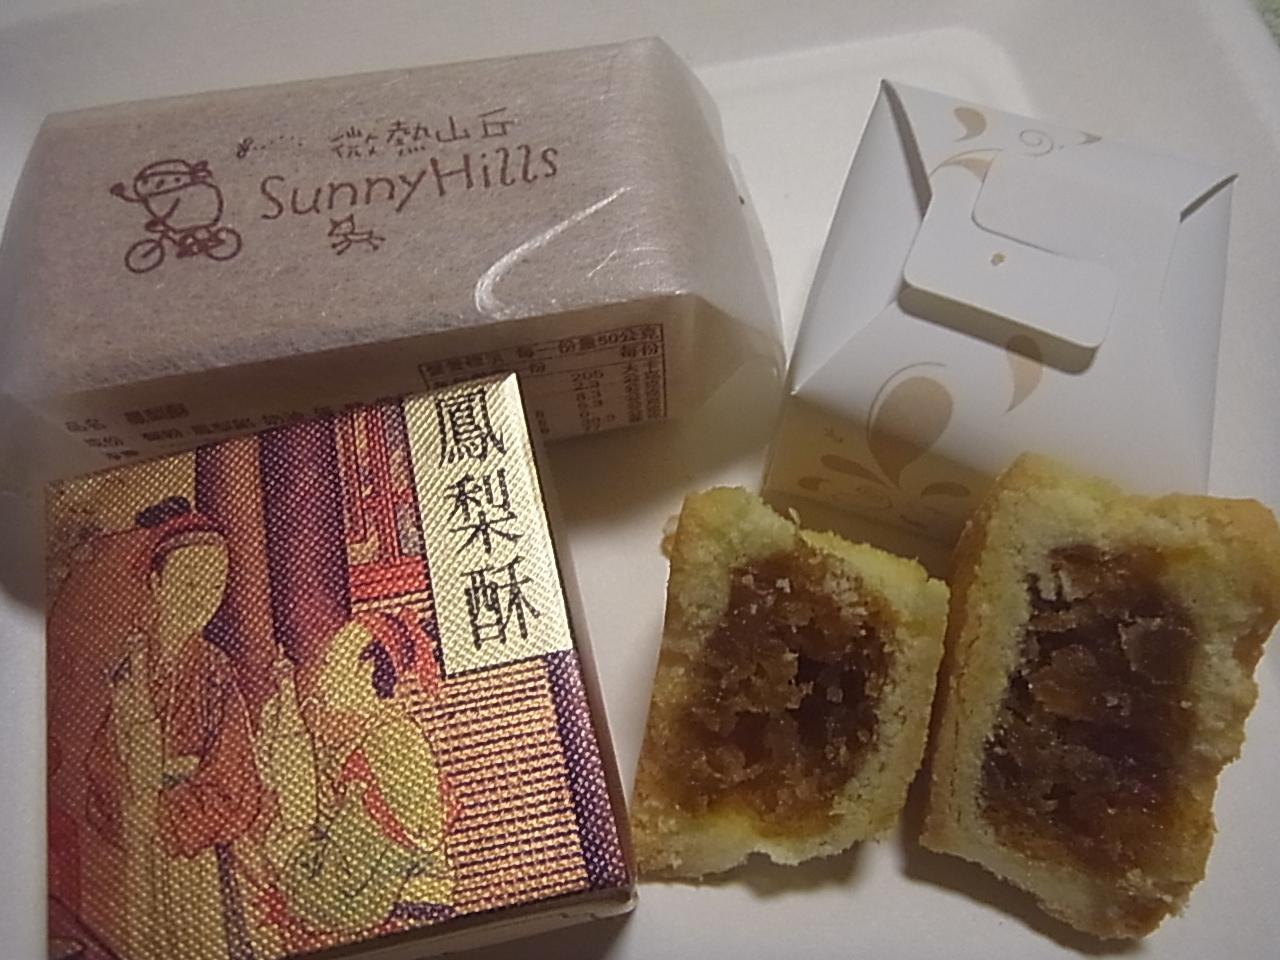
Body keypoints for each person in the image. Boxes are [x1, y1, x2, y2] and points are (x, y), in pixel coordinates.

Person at [84, 497, 261, 960]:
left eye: (216, 583)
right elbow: (101, 762)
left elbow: (236, 780)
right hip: (139, 842)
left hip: (190, 847)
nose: (204, 596)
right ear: (157, 584)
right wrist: (127, 807)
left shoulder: (215, 670)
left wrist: (166, 812)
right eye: (190, 582)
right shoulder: (129, 667)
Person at [264, 612, 455, 939]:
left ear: (365, 669)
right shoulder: (369, 735)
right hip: (375, 891)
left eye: (331, 663)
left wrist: (292, 853)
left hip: (391, 906)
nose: (322, 676)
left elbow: (362, 871)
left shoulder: (392, 742)